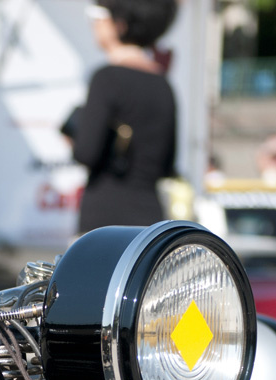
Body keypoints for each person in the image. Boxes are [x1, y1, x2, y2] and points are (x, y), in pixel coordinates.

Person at [71, 0, 177, 233]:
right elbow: (168, 163)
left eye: (99, 14)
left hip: (105, 217)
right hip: (151, 220)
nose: (94, 22)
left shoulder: (106, 78)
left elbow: (86, 152)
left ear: (119, 23)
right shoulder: (164, 85)